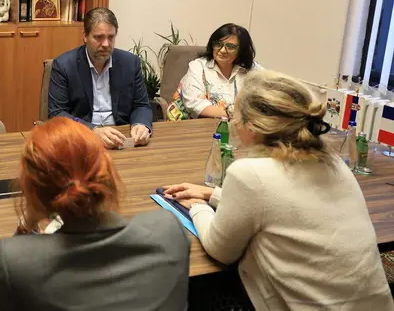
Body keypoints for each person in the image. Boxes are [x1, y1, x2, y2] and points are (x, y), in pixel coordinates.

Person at [164, 70, 394, 311]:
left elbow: (220, 249)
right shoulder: (335, 163)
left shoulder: (249, 173)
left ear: (253, 127)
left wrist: (198, 207)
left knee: (198, 288)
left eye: (235, 113)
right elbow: (283, 206)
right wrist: (212, 194)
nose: (233, 121)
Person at [0, 117, 189, 311]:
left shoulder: (15, 262)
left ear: (33, 190)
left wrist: (28, 220)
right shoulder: (168, 232)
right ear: (107, 173)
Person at [48, 7, 153, 148]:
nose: (106, 44)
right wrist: (92, 130)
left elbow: (141, 105)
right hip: (82, 140)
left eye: (111, 37)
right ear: (85, 36)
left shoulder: (130, 63)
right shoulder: (64, 65)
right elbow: (57, 114)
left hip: (122, 137)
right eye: (98, 37)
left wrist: (141, 124)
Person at [170, 23, 260, 120]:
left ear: (241, 50)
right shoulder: (198, 66)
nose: (222, 50)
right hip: (200, 125)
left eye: (230, 47)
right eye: (218, 44)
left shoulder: (252, 69)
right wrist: (235, 115)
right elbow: (194, 104)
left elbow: (269, 90)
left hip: (241, 125)